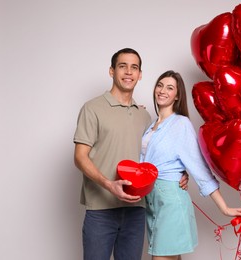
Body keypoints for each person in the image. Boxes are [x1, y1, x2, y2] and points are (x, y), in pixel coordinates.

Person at [73, 49, 188, 260]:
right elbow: (80, 157)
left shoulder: (144, 116)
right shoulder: (92, 108)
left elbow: (158, 156)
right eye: (122, 66)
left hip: (136, 210)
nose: (128, 71)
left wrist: (182, 173)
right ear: (111, 71)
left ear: (140, 74)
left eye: (134, 67)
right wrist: (109, 184)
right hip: (101, 209)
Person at [140, 70, 241, 260]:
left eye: (170, 88)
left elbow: (200, 168)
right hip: (152, 201)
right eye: (160, 85)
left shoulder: (181, 124)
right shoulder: (151, 126)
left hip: (170, 202)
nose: (162, 90)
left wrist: (224, 208)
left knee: (161, 257)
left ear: (177, 95)